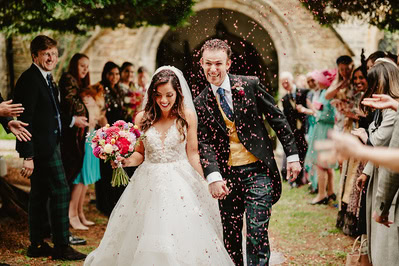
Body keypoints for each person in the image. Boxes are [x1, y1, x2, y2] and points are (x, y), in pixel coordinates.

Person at [84, 66, 234, 265]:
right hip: (147, 182)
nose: (164, 100)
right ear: (152, 94)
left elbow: (193, 153)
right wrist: (126, 161)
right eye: (158, 95)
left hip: (181, 182)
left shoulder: (187, 116)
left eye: (169, 95)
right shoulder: (142, 118)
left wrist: (210, 178)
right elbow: (140, 153)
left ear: (178, 93)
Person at [194, 39, 301, 265]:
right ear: (201, 63)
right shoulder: (200, 102)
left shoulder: (250, 85)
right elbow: (204, 143)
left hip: (258, 170)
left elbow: (277, 119)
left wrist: (292, 156)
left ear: (229, 64)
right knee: (231, 237)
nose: (213, 69)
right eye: (208, 64)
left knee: (256, 230)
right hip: (227, 176)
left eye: (218, 64)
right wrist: (213, 176)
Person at [12, 35, 86, 260]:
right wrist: (28, 155)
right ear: (35, 56)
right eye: (46, 54)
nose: (51, 58)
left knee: (39, 194)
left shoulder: (47, 78)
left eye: (54, 53)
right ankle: (62, 245)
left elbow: (53, 114)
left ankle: (36, 245)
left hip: (50, 144)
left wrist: (72, 121)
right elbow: (25, 120)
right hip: (42, 149)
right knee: (61, 190)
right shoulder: (29, 80)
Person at [59, 53, 100, 230]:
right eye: (82, 65)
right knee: (79, 177)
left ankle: (79, 212)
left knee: (86, 178)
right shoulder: (69, 79)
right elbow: (70, 103)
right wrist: (87, 109)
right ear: (74, 65)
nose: (85, 69)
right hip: (77, 137)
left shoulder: (83, 86)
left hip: (89, 134)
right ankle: (72, 214)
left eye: (87, 66)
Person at [92, 61, 128, 216]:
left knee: (117, 165)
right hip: (105, 133)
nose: (114, 77)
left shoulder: (118, 90)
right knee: (105, 168)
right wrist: (107, 133)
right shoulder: (100, 89)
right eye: (111, 74)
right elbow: (99, 112)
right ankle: (104, 203)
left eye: (117, 74)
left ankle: (116, 200)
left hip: (119, 133)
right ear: (105, 74)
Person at [304, 69, 337, 205]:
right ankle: (330, 192)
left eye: (318, 79)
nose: (316, 82)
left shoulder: (329, 94)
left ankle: (322, 194)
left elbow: (330, 115)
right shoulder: (323, 93)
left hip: (325, 130)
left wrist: (314, 111)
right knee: (325, 164)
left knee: (321, 163)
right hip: (320, 129)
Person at [280, 71, 309, 187]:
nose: (285, 85)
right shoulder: (284, 99)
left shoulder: (304, 92)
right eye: (282, 83)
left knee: (305, 152)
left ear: (291, 80)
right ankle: (296, 180)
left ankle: (304, 178)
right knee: (296, 154)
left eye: (286, 82)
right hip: (294, 131)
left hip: (305, 128)